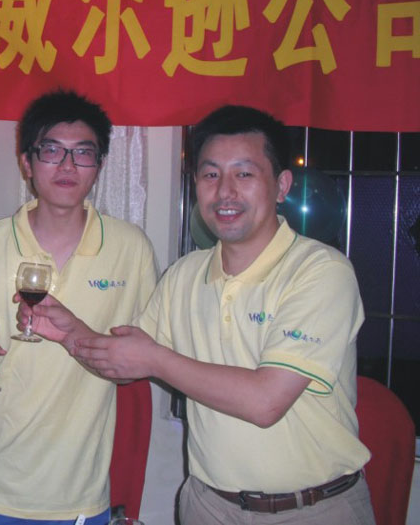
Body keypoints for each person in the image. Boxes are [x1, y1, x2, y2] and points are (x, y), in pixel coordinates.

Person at [27, 105, 376, 525]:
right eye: (210, 175)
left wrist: (154, 359)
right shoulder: (185, 275)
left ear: (281, 185)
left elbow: (266, 401)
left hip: (312, 509)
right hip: (207, 505)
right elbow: (126, 362)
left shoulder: (320, 271)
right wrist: (72, 332)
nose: (225, 191)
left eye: (244, 174)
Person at [0, 90, 158, 524]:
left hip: (79, 495)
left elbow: (141, 363)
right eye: (52, 151)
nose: (67, 166)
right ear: (27, 163)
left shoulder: (131, 249)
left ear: (100, 165)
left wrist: (77, 335)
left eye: (83, 153)